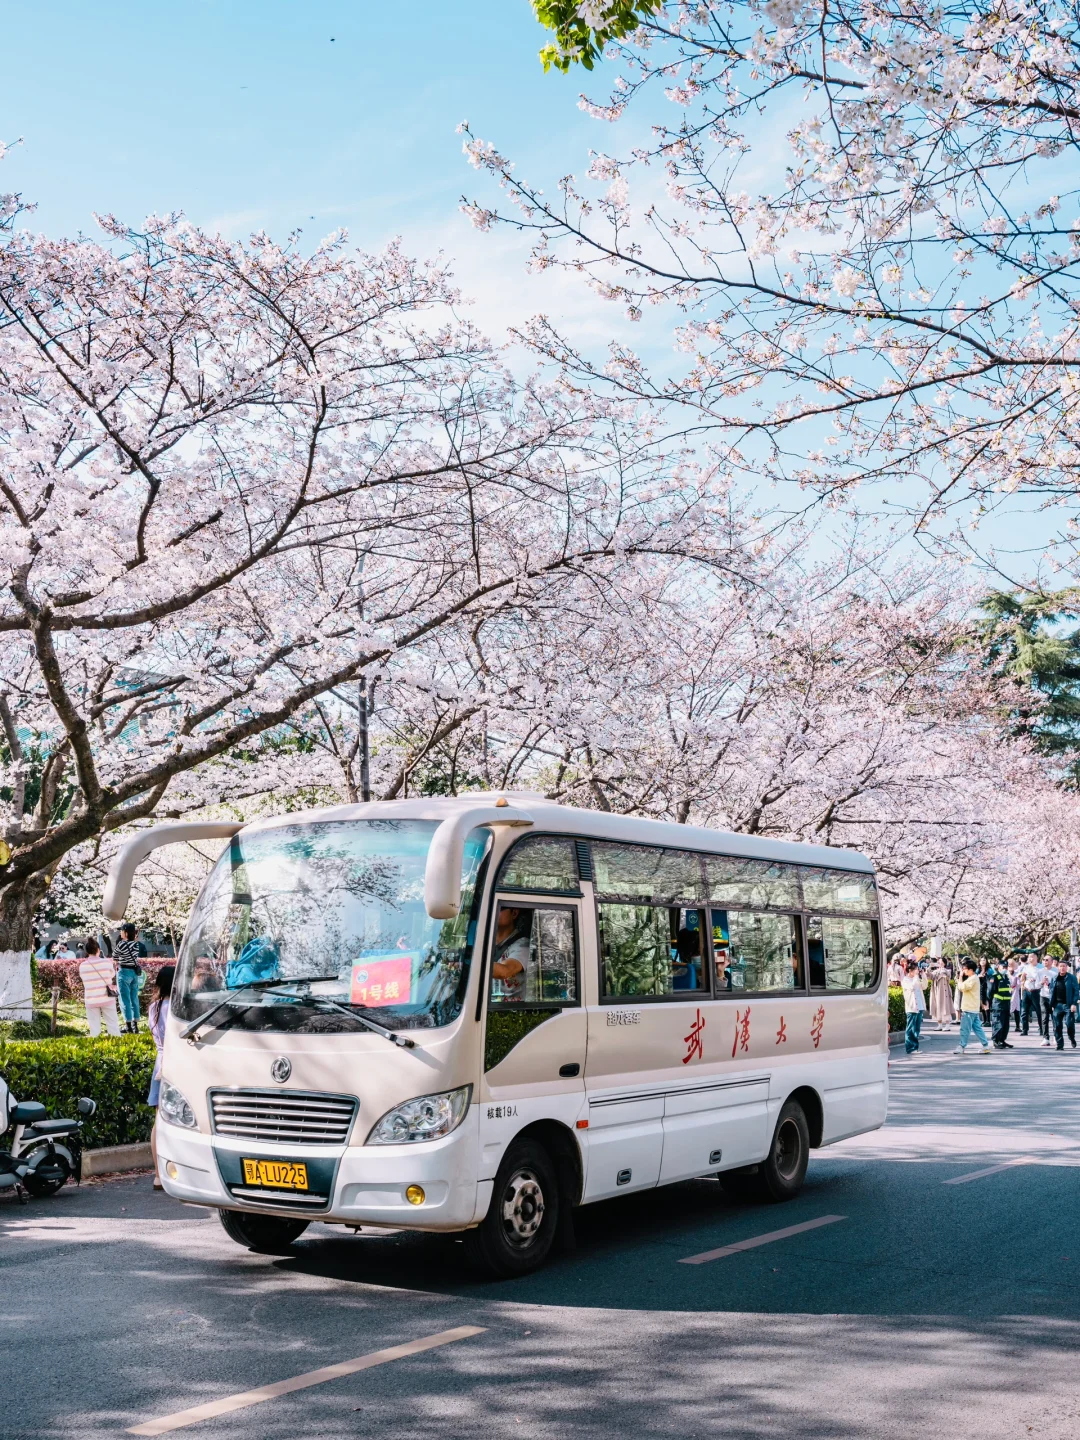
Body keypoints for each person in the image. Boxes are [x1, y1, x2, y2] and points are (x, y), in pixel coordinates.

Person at [147, 964, 174, 1190]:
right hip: (175, 1064)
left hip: (159, 1064)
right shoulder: (176, 1007)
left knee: (158, 1121)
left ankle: (157, 1175)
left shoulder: (153, 1007)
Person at [78, 939, 120, 1037]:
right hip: (107, 997)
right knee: (113, 1025)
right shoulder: (106, 962)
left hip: (91, 999)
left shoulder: (82, 966)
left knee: (94, 1028)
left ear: (87, 952)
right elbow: (112, 974)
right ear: (98, 950)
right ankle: (117, 1046)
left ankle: (96, 1048)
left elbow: (83, 978)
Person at [490, 906, 533, 1001]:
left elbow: (504, 971)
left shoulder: (523, 945)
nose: (492, 912)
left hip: (510, 1011)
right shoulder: (486, 945)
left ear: (514, 913)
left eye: (499, 908)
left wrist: (472, 964)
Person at [955, 959, 992, 1054]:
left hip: (969, 1008)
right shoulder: (973, 978)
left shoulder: (973, 979)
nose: (963, 970)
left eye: (965, 969)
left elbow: (962, 987)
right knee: (977, 1029)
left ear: (971, 970)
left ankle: (962, 1046)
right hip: (973, 1008)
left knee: (965, 1028)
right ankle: (985, 1045)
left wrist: (959, 978)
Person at [114, 921, 144, 1034]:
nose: (121, 933)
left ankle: (128, 1026)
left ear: (125, 933)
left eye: (121, 931)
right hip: (134, 973)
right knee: (134, 999)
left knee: (125, 999)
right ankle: (135, 1026)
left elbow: (114, 955)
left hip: (124, 972)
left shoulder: (122, 944)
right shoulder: (136, 944)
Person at [1048, 960, 1079, 1051]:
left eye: (1064, 966)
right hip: (1057, 1005)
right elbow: (1052, 992)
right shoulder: (1054, 978)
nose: (1062, 968)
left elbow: (1076, 991)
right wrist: (1052, 1004)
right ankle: (1060, 1044)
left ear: (1067, 967)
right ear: (1058, 967)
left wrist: (1074, 1003)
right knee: (1057, 1026)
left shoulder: (1072, 978)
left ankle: (1071, 1038)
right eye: (1060, 966)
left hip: (1068, 1005)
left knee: (1069, 1024)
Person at [1019, 952, 1048, 1040]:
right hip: (1026, 990)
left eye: (1031, 957)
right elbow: (1021, 979)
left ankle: (1041, 1029)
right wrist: (1024, 977)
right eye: (1029, 957)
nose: (1030, 959)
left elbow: (1044, 978)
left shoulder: (1041, 967)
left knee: (1039, 1011)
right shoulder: (1026, 967)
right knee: (1024, 1011)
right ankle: (1024, 1029)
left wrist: (1036, 979)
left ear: (1036, 958)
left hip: (1036, 991)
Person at [900, 959, 926, 1054]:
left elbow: (924, 986)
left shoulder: (916, 979)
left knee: (917, 1029)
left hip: (920, 1006)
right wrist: (916, 978)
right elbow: (911, 987)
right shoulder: (905, 980)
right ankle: (910, 1048)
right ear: (910, 970)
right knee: (910, 1028)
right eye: (915, 969)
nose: (917, 971)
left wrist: (923, 976)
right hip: (911, 1007)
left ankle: (915, 1047)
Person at [990, 964, 1014, 1049]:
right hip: (998, 1004)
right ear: (998, 968)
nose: (1004, 969)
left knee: (1005, 1024)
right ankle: (995, 1041)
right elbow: (991, 991)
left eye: (1006, 967)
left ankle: (1002, 1040)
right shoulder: (995, 977)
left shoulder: (1006, 977)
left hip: (1006, 1004)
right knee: (997, 1023)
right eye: (1002, 967)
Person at [929, 957, 953, 1030]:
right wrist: (928, 968)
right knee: (937, 1006)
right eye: (939, 962)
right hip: (936, 991)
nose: (940, 963)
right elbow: (930, 976)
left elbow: (948, 977)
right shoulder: (936, 971)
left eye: (941, 962)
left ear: (944, 963)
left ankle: (947, 1024)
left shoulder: (946, 970)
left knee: (945, 1006)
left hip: (944, 991)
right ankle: (939, 1024)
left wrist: (943, 973)